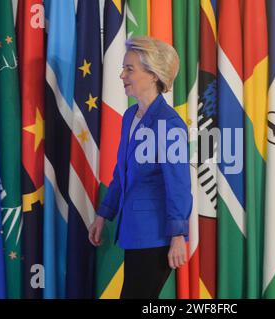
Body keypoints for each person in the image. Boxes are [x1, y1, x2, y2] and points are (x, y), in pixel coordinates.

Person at [88, 36, 192, 299]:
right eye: (123, 68)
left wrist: (178, 235)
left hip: (155, 236)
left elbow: (178, 184)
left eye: (129, 69)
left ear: (153, 74)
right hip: (134, 232)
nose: (122, 75)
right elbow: (121, 175)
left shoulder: (170, 123)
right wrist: (103, 214)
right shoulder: (129, 117)